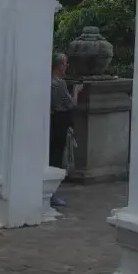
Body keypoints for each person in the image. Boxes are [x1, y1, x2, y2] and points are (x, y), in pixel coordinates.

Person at [49, 52, 82, 209]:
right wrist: (76, 91)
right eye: (65, 63)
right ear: (60, 65)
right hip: (60, 122)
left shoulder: (48, 81)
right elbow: (70, 104)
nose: (67, 66)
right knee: (56, 158)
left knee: (51, 155)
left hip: (52, 120)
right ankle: (51, 192)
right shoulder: (59, 83)